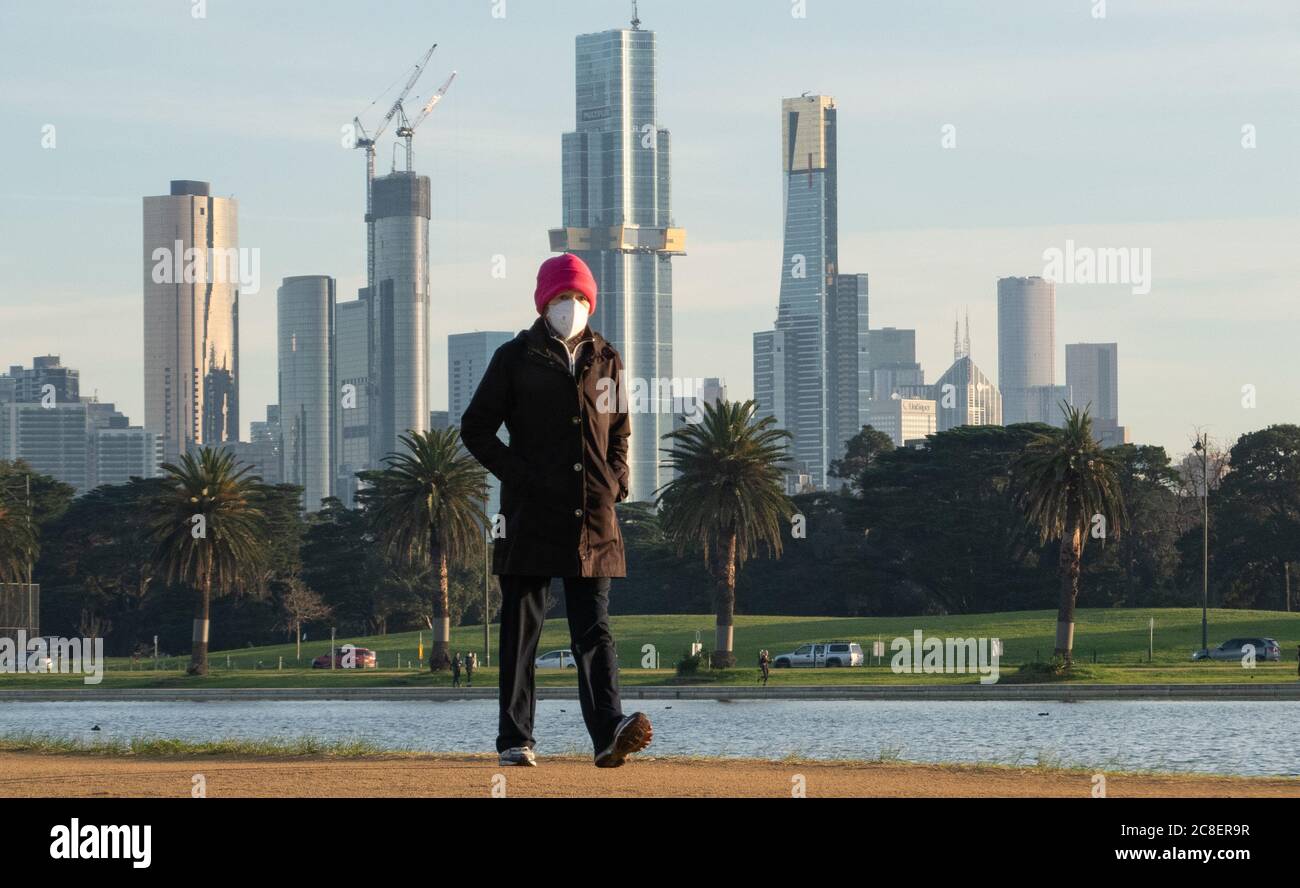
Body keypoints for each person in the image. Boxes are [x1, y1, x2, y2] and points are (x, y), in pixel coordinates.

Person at [461, 253, 653, 769]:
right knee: (522, 631)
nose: (572, 305)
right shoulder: (514, 358)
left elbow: (619, 432)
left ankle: (609, 732)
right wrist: (518, 475)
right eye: (563, 297)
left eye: (580, 297)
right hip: (529, 516)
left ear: (591, 302)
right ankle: (514, 739)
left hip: (594, 518)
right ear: (544, 303)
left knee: (594, 629)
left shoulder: (607, 358)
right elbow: (475, 428)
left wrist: (616, 482)